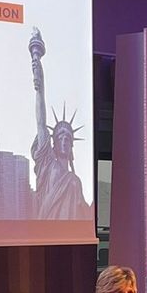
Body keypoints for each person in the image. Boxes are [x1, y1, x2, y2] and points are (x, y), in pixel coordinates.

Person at [28, 27, 91, 220]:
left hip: (71, 235)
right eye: (60, 137)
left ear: (72, 145)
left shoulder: (75, 181)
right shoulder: (47, 163)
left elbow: (83, 213)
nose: (64, 141)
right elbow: (41, 120)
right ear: (53, 143)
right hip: (47, 230)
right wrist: (38, 76)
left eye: (68, 138)